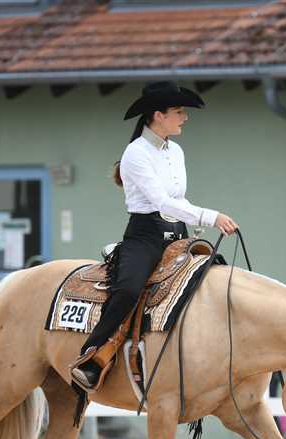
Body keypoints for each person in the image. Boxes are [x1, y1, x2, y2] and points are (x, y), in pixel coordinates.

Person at [70, 81, 239, 391]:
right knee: (128, 290)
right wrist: (211, 216)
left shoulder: (176, 151)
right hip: (145, 235)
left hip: (178, 234)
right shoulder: (135, 153)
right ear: (158, 115)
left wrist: (198, 218)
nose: (185, 117)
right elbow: (161, 202)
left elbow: (179, 200)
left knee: (216, 277)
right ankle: (92, 356)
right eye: (179, 111)